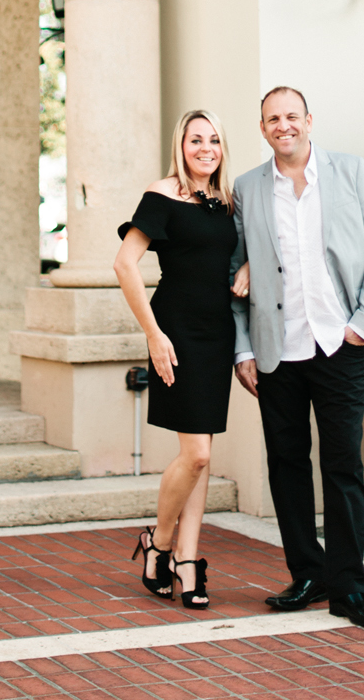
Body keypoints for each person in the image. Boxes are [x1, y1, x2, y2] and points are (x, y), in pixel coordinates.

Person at [231, 86, 364, 629]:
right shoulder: (248, 188)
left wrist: (361, 326)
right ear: (262, 128)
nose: (284, 125)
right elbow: (233, 276)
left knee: (343, 466)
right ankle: (308, 573)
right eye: (273, 118)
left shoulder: (348, 172)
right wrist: (244, 348)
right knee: (287, 466)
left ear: (308, 121)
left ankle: (349, 588)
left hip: (339, 343)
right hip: (278, 350)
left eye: (292, 116)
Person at [114, 109, 246, 609]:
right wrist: (153, 335)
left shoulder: (227, 201)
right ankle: (161, 543)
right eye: (196, 140)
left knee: (202, 450)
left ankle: (188, 563)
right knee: (198, 454)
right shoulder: (163, 194)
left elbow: (240, 251)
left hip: (218, 334)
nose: (206, 148)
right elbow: (125, 264)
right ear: (181, 145)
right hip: (177, 333)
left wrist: (250, 264)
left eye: (213, 140)